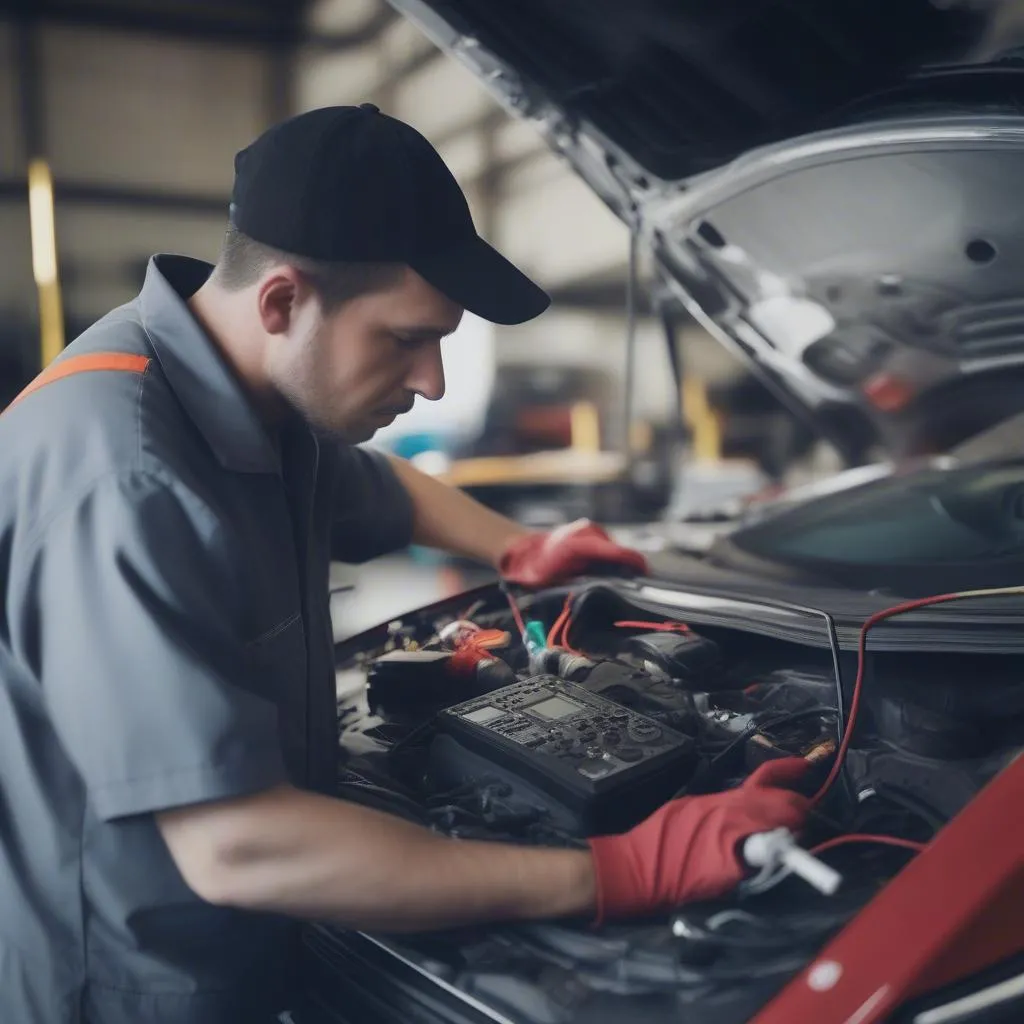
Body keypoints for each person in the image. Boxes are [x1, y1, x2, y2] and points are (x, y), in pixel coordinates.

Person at [0, 105, 811, 1024]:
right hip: (126, 984)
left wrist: (517, 546)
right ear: (281, 301)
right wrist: (619, 871)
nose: (432, 380)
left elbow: (373, 486)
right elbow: (238, 848)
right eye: (404, 338)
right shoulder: (128, 478)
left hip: (252, 944)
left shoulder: (243, 393)